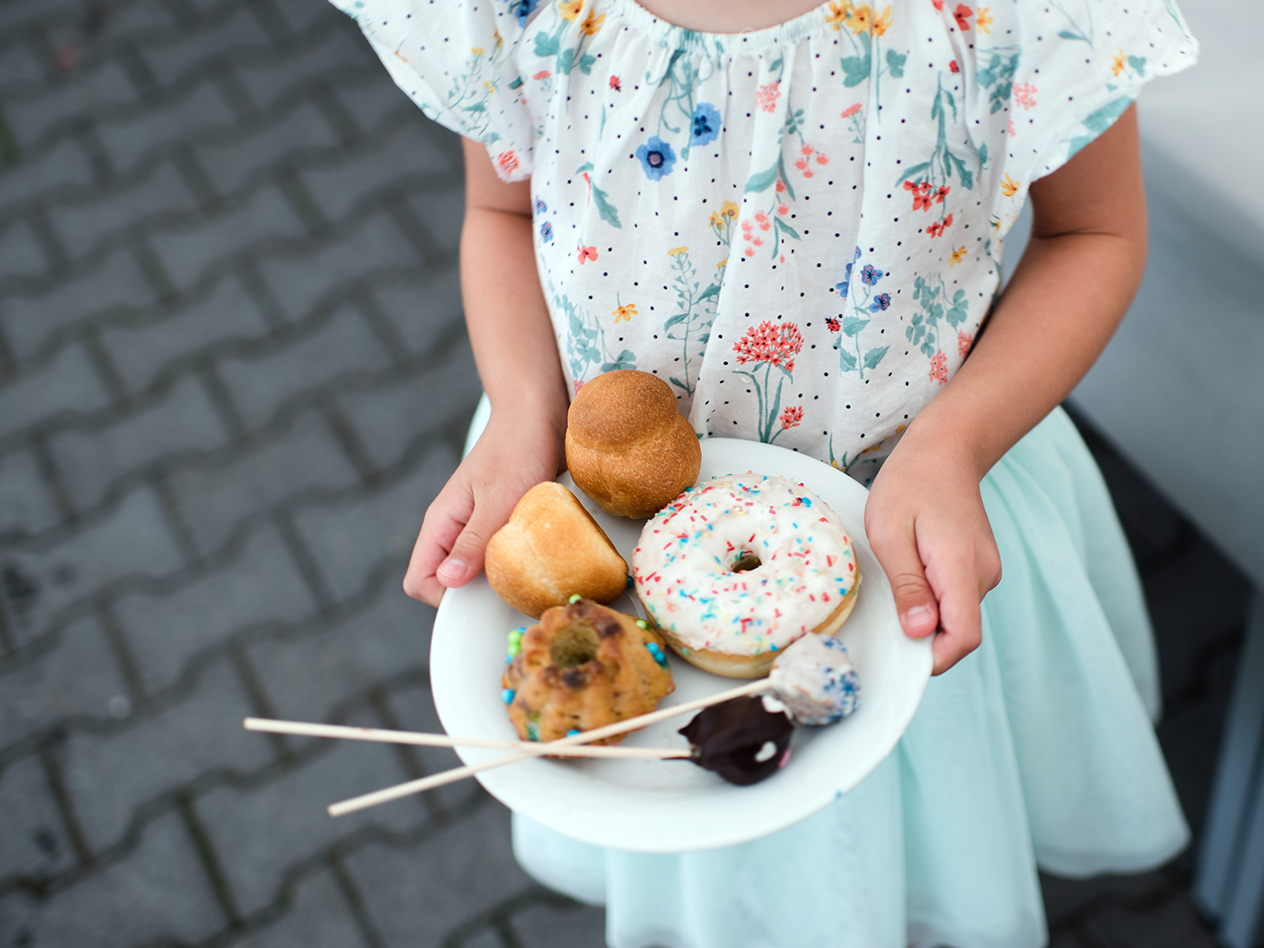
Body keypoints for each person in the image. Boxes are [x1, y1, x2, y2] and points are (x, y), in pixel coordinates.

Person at [333, 0, 1198, 944]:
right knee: (718, 850)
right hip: (601, 508)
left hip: (912, 508)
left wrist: (954, 446)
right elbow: (499, 208)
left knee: (914, 832)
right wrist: (520, 417)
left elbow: (1092, 235)